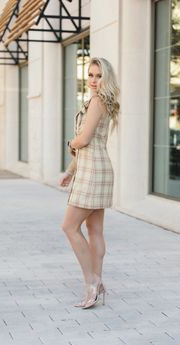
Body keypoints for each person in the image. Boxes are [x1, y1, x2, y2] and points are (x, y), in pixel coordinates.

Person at [59, 57, 120, 309]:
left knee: (69, 227)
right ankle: (98, 283)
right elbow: (91, 144)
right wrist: (71, 171)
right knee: (94, 230)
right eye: (90, 75)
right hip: (97, 168)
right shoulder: (104, 102)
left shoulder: (97, 102)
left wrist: (69, 143)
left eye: (98, 76)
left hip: (93, 172)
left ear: (106, 78)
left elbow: (83, 140)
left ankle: (91, 282)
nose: (94, 80)